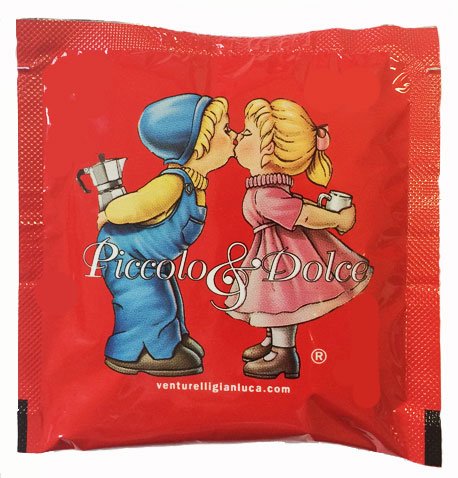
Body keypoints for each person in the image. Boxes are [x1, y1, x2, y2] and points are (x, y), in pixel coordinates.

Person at [226, 98, 373, 379]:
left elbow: (303, 213)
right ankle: (273, 341)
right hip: (272, 252)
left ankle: (284, 353)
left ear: (268, 149)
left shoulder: (267, 194)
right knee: (272, 299)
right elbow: (300, 208)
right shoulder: (266, 188)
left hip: (285, 257)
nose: (237, 136)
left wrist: (339, 220)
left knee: (281, 300)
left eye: (246, 133)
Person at [97, 93, 236, 376]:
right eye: (226, 129)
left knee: (168, 295)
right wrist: (109, 213)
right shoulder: (172, 183)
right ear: (198, 145)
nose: (233, 135)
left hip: (149, 257)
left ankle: (172, 340)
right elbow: (131, 207)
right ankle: (140, 351)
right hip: (126, 256)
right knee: (149, 301)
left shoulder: (191, 182)